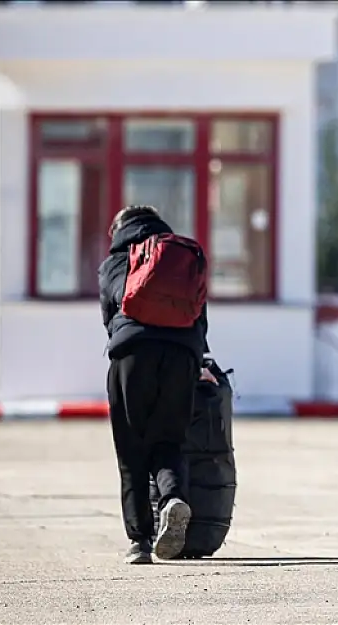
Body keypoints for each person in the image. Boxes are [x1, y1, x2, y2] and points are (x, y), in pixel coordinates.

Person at [98, 205, 214, 564]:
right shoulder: (182, 255)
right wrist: (202, 361)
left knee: (132, 450)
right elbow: (198, 314)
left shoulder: (118, 260)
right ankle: (172, 498)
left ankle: (139, 542)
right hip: (182, 356)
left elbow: (112, 312)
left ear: (118, 229)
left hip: (133, 355)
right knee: (169, 440)